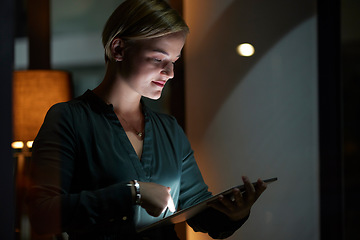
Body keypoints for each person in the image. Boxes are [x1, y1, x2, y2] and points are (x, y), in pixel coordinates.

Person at [27, 0, 267, 239]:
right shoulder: (69, 119)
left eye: (173, 61)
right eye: (158, 59)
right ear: (118, 49)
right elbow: (42, 215)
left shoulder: (169, 129)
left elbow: (198, 209)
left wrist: (235, 213)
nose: (170, 73)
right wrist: (132, 193)